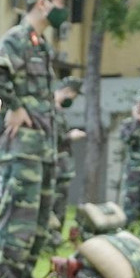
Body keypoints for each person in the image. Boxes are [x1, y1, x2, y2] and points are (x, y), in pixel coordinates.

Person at [0, 0, 76, 278]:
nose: (65, 8)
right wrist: (15, 106)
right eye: (61, 1)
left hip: (43, 147)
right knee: (18, 218)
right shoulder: (18, 37)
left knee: (38, 221)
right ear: (43, 3)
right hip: (23, 148)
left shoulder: (42, 45)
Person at [44, 76, 85, 254]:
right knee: (52, 205)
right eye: (74, 96)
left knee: (60, 207)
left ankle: (54, 241)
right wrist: (70, 136)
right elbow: (50, 137)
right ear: (68, 92)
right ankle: (48, 241)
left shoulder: (58, 111)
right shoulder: (49, 109)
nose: (73, 100)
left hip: (62, 167)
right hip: (54, 167)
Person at [118, 88, 140, 231]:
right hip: (134, 176)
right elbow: (127, 140)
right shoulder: (128, 123)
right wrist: (137, 122)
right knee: (131, 212)